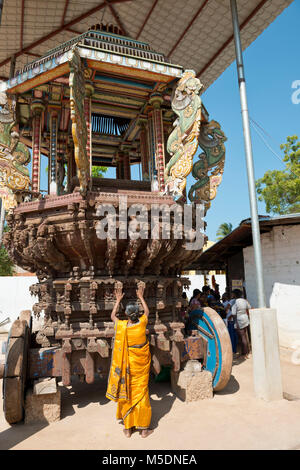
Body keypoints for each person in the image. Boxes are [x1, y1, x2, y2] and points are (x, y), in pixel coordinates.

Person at [106, 282, 152, 438]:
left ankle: (127, 428)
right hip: (141, 363)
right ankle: (144, 429)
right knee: (142, 393)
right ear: (137, 314)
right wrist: (141, 296)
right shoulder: (142, 324)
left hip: (127, 365)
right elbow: (147, 311)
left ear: (126, 315)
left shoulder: (123, 326)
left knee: (127, 391)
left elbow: (112, 316)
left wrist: (118, 300)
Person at [231, 289, 251, 359]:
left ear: (235, 294)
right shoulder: (244, 301)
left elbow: (233, 313)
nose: (232, 295)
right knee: (245, 336)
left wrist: (235, 323)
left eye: (233, 294)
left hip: (239, 320)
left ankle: (245, 353)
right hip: (245, 319)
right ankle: (245, 352)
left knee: (242, 337)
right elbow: (249, 308)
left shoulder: (235, 302)